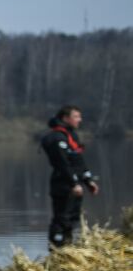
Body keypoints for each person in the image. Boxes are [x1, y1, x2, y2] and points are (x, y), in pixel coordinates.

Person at [40, 105, 99, 247]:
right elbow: (62, 163)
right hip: (63, 183)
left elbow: (77, 160)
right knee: (62, 218)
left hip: (75, 183)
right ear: (66, 118)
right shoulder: (56, 138)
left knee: (73, 218)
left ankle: (68, 247)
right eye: (76, 117)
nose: (80, 120)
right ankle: (56, 250)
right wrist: (74, 183)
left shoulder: (71, 135)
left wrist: (88, 180)